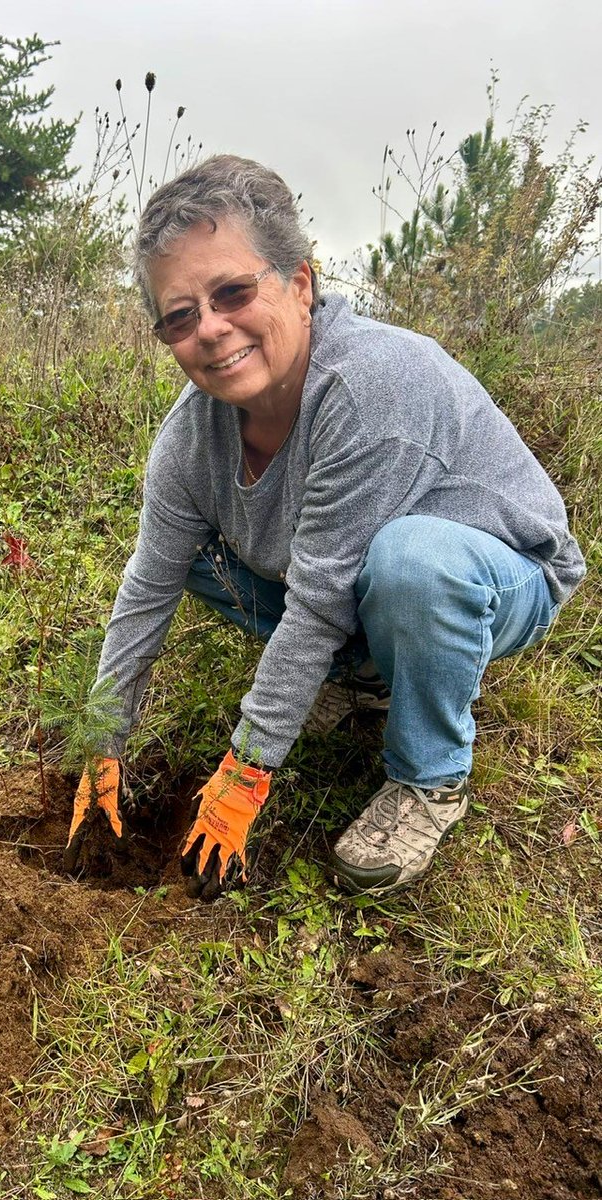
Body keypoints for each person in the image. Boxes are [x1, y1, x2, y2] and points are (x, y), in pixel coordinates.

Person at [62, 155, 585, 901]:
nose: (210, 329)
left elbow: (316, 601)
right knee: (194, 555)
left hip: (502, 570)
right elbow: (148, 589)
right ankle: (369, 673)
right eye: (181, 316)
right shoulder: (189, 440)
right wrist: (103, 739)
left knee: (414, 565)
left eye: (233, 292)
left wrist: (246, 772)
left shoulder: (369, 389)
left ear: (300, 285)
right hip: (351, 577)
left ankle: (429, 776)